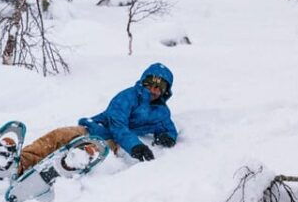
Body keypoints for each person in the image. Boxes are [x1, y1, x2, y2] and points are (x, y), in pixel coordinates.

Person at [17, 63, 178, 175]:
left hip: (112, 141)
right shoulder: (127, 97)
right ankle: (20, 162)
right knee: (60, 135)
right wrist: (135, 146)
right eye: (150, 84)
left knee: (94, 149)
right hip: (95, 128)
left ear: (165, 92)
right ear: (144, 82)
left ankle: (68, 164)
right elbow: (117, 125)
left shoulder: (161, 112)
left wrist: (167, 137)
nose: (153, 90)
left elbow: (169, 128)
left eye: (159, 87)